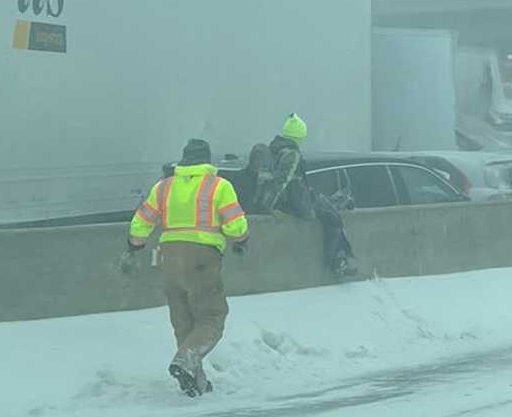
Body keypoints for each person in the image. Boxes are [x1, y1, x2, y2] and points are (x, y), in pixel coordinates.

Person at [124, 138, 248, 398]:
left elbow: (141, 222)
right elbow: (236, 226)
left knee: (183, 321)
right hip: (202, 258)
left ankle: (194, 380)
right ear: (207, 160)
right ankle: (186, 360)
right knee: (212, 317)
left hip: (168, 257)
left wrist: (135, 246)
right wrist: (240, 240)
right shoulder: (219, 186)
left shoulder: (163, 187)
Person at [239, 113, 357, 278]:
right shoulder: (291, 154)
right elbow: (279, 184)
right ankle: (337, 262)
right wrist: (268, 209)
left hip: (290, 201)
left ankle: (341, 200)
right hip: (296, 204)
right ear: (299, 137)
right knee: (333, 217)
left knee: (325, 203)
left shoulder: (274, 149)